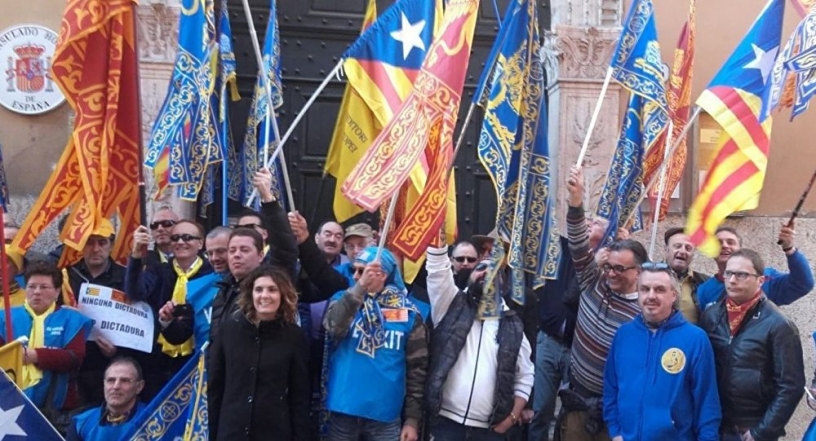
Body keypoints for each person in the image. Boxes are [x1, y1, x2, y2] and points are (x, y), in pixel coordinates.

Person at [560, 166, 644, 441]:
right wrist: (576, 199)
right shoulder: (592, 281)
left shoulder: (646, 310)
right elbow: (577, 242)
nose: (611, 274)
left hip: (616, 412)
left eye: (620, 270)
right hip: (577, 402)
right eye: (609, 267)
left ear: (639, 272)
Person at [424, 240, 534, 440]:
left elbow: (525, 376)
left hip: (489, 431)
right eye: (481, 267)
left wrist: (511, 418)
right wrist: (437, 237)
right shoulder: (449, 304)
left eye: (495, 271)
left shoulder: (513, 325)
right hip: (445, 425)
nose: (487, 273)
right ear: (470, 276)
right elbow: (437, 269)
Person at [603, 262, 721, 441]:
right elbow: (611, 387)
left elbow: (707, 403)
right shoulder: (624, 335)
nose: (651, 296)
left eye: (659, 289)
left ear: (673, 295)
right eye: (645, 289)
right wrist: (615, 431)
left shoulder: (695, 339)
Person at [323, 247, 427, 441]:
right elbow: (332, 327)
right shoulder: (343, 299)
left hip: (385, 416)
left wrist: (412, 420)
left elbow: (417, 371)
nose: (355, 277)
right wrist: (359, 290)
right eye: (355, 270)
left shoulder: (410, 313)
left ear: (383, 274)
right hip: (343, 410)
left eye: (362, 271)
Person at [699, 249, 805, 441]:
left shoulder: (779, 324)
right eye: (729, 273)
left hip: (751, 427)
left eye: (741, 275)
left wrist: (761, 432)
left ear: (761, 280)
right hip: (714, 424)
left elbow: (791, 386)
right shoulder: (711, 315)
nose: (732, 280)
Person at [209, 266, 309, 440]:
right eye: (259, 289)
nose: (264, 296)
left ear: (282, 295)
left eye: (272, 290)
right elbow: (215, 386)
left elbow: (299, 396)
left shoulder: (295, 337)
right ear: (250, 294)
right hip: (231, 430)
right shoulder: (228, 330)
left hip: (273, 431)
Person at [126, 219, 220, 399]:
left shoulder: (212, 273)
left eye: (187, 237)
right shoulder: (159, 270)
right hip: (160, 358)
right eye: (175, 238)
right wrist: (136, 254)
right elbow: (135, 292)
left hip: (198, 354)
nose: (180, 242)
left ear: (200, 243)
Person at [209, 168, 298, 341]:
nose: (236, 255)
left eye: (244, 250)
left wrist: (268, 199)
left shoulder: (272, 279)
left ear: (260, 255)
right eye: (232, 250)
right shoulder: (223, 290)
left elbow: (285, 248)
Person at [0, 260, 93, 412]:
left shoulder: (72, 319)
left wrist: (35, 355)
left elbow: (74, 357)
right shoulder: (4, 318)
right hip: (10, 403)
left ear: (57, 291)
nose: (37, 292)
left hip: (57, 405)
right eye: (31, 286)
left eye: (44, 287)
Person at [64, 219, 132, 406]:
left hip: (111, 367)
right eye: (89, 242)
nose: (95, 249)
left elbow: (136, 326)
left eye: (102, 242)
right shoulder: (66, 276)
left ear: (111, 245)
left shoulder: (127, 277)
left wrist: (117, 351)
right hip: (72, 364)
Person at [696, 225, 813, 310]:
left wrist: (789, 249)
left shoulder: (766, 277)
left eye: (730, 242)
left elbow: (802, 284)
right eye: (718, 243)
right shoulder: (704, 290)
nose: (725, 246)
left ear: (740, 249)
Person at [67, 357, 146, 441]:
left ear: (139, 386)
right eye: (111, 380)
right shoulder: (81, 423)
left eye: (125, 380)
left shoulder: (153, 418)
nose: (116, 386)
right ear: (104, 384)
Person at [662, 227, 709, 323]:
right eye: (677, 246)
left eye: (688, 248)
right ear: (666, 249)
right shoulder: (649, 278)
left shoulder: (704, 283)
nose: (683, 251)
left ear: (693, 254)